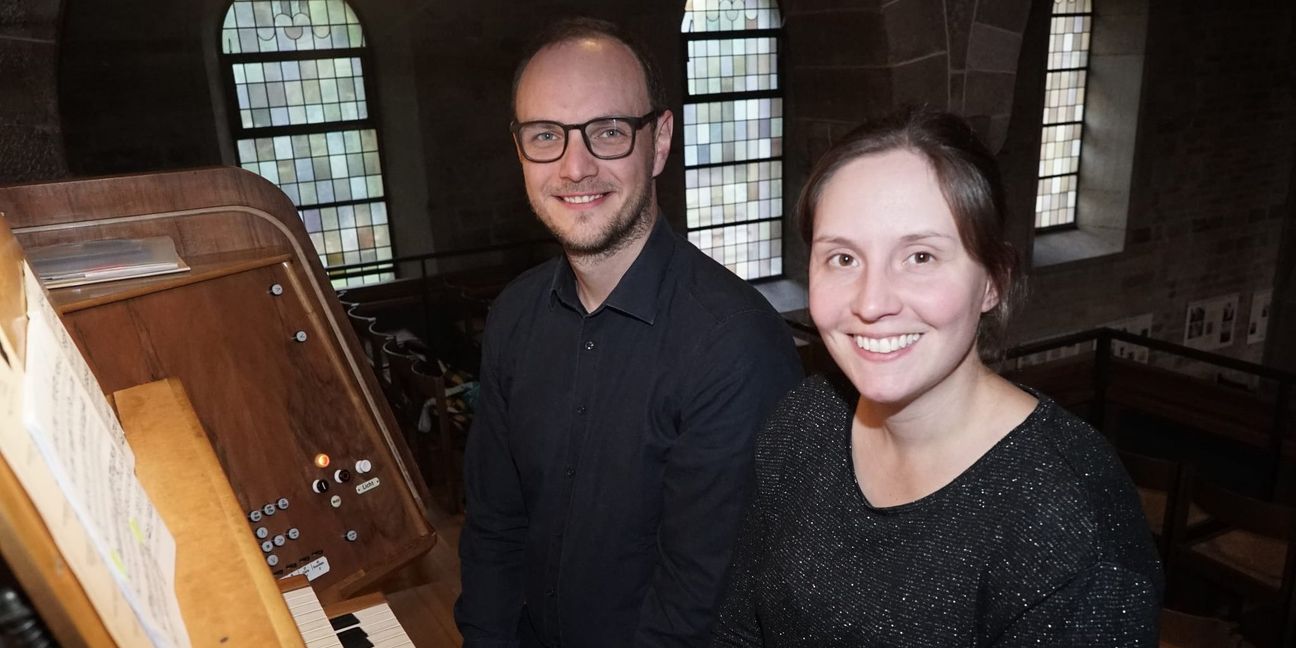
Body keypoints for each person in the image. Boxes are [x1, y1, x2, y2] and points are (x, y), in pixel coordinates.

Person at [712, 107, 1163, 646]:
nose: (872, 302)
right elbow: (739, 628)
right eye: (843, 259)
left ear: (993, 281)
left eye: (920, 256)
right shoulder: (803, 424)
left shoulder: (1067, 521)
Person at [455, 17, 803, 648]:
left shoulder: (736, 348)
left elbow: (700, 606)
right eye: (545, 136)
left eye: (609, 132)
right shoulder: (514, 316)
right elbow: (494, 528)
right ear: (520, 151)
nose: (575, 166)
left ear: (660, 141)